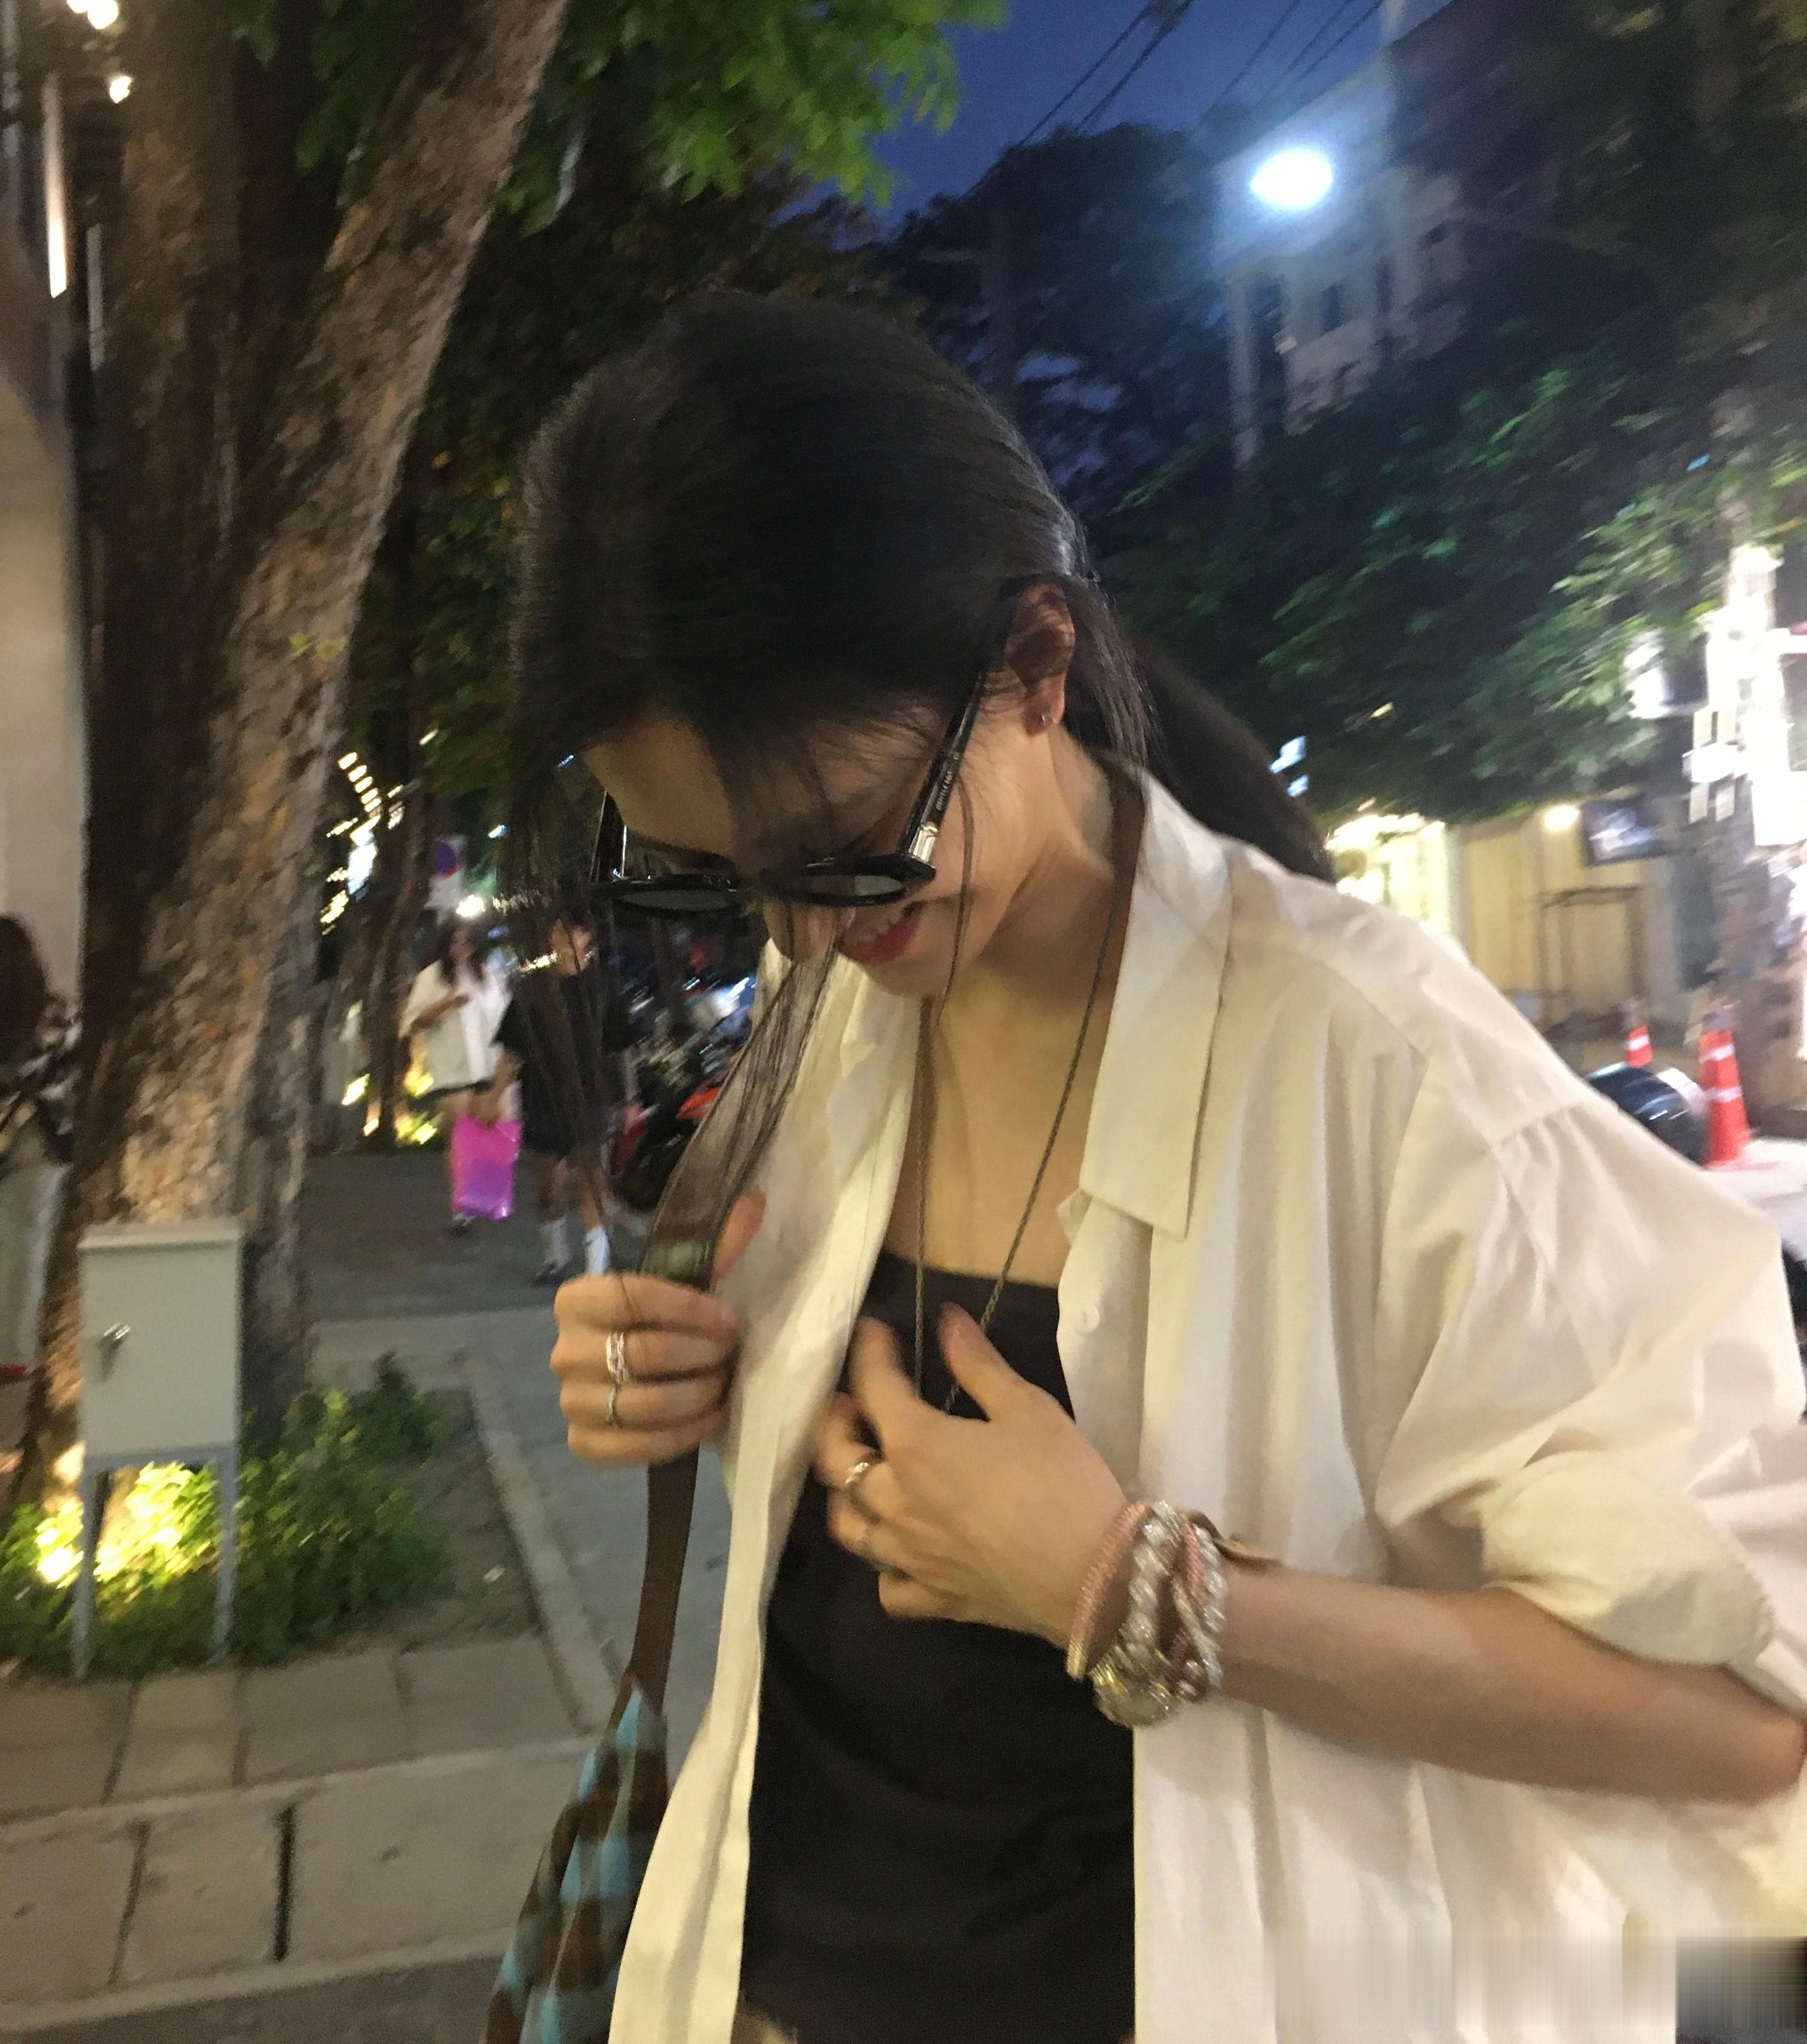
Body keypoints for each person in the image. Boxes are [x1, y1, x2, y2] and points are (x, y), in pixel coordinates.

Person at [510, 295, 1807, 2044]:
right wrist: (677, 1372)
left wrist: (1128, 1589)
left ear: (1036, 663)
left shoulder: (1373, 1056)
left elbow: (1738, 1711)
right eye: (712, 874)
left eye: (847, 846)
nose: (798, 936)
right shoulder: (844, 1016)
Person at [480, 913, 628, 1286]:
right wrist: (494, 1096)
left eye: (570, 931)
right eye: (557, 931)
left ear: (586, 936)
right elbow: (511, 1051)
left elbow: (621, 1047)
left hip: (592, 1097)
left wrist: (629, 1099)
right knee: (548, 1187)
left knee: (594, 1180)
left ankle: (596, 1269)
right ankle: (555, 1256)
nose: (562, 938)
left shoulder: (603, 987)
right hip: (543, 1097)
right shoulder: (532, 988)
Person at [0, 918, 79, 1382]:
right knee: (24, 1249)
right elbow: (73, 1072)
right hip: (41, 1137)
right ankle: (15, 1352)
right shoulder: (56, 1014)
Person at [403, 917, 509, 1230]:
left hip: (486, 1064)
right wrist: (445, 1004)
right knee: (459, 1134)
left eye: (467, 943)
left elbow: (505, 1018)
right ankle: (461, 1207)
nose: (461, 949)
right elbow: (415, 1022)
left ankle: (483, 1199)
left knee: (484, 1132)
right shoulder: (432, 977)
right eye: (455, 943)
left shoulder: (489, 975)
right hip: (450, 1067)